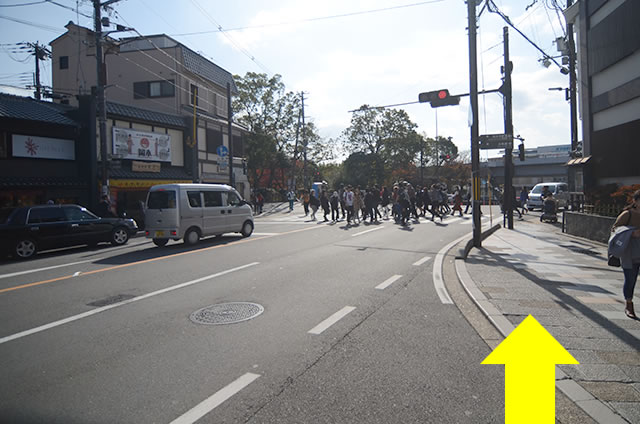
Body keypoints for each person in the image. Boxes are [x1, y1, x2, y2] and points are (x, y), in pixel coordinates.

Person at [611, 189, 640, 319]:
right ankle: (629, 304)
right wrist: (631, 233)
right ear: (635, 201)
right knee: (630, 279)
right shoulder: (627, 214)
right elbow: (615, 229)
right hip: (630, 252)